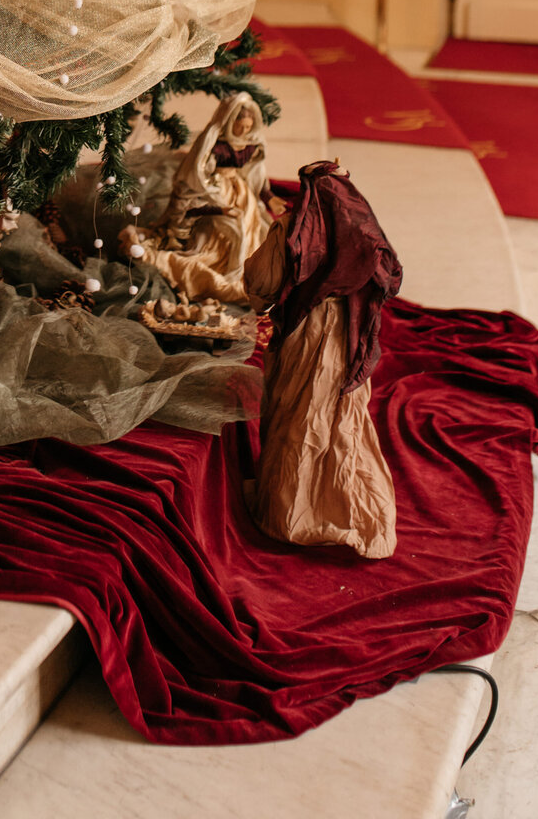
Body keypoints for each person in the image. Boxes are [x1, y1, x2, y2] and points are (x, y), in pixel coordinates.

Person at [243, 160, 400, 559]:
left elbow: (261, 280)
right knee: (342, 420)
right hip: (348, 336)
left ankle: (289, 515)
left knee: (300, 417)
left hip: (308, 331)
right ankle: (355, 514)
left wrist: (265, 301)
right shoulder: (365, 234)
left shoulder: (293, 231)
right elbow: (389, 278)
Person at [122, 92, 274, 305]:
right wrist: (216, 200)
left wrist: (268, 196)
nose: (243, 130)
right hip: (217, 189)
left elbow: (257, 173)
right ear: (230, 122)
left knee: (251, 229)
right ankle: (231, 272)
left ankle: (243, 269)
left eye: (248, 127)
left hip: (240, 190)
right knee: (232, 230)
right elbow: (199, 175)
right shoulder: (215, 145)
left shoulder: (251, 145)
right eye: (240, 126)